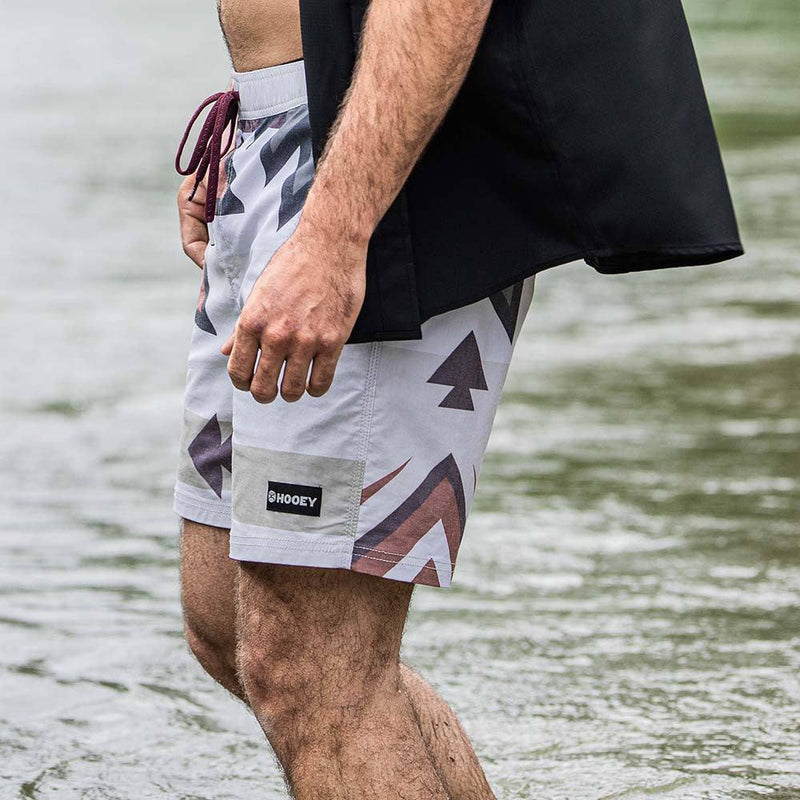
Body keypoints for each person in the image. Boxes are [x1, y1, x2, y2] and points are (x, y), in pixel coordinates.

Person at [173, 0, 743, 797]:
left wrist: (336, 230)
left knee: (313, 670)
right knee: (225, 623)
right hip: (282, 136)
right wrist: (257, 114)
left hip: (380, 171)